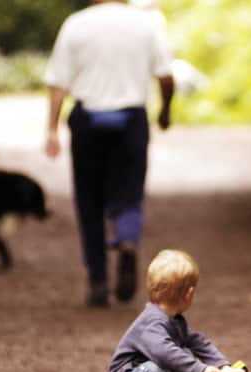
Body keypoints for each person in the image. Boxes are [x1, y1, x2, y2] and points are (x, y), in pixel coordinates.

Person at [44, 0, 175, 307]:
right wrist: (166, 111)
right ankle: (127, 240)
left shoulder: (76, 24)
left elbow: (58, 84)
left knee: (89, 201)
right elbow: (166, 76)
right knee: (129, 193)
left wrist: (51, 128)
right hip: (131, 120)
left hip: (88, 121)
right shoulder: (146, 24)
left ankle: (98, 281)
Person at [105, 249, 244, 372]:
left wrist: (223, 365)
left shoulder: (175, 321)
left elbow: (197, 342)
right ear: (188, 294)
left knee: (181, 356)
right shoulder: (151, 323)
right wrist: (201, 370)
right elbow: (165, 353)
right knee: (157, 368)